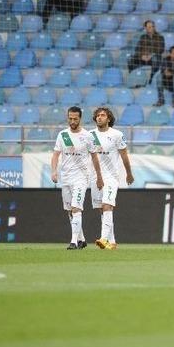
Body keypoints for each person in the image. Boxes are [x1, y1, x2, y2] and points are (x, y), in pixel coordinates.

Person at [50, 106, 103, 250]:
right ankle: (82, 239)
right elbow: (55, 155)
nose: (72, 121)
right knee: (69, 210)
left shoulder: (87, 136)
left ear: (80, 119)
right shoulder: (63, 135)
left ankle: (73, 241)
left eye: (75, 119)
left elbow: (95, 157)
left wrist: (99, 176)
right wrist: (54, 171)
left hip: (81, 178)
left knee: (76, 208)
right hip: (66, 178)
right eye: (70, 118)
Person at [89, 107, 134, 250]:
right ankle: (112, 242)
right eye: (98, 115)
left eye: (103, 115)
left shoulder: (117, 135)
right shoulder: (90, 135)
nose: (99, 117)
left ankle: (103, 239)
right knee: (102, 209)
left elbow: (124, 155)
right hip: (95, 177)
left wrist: (129, 173)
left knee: (107, 205)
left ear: (108, 119)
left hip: (111, 177)